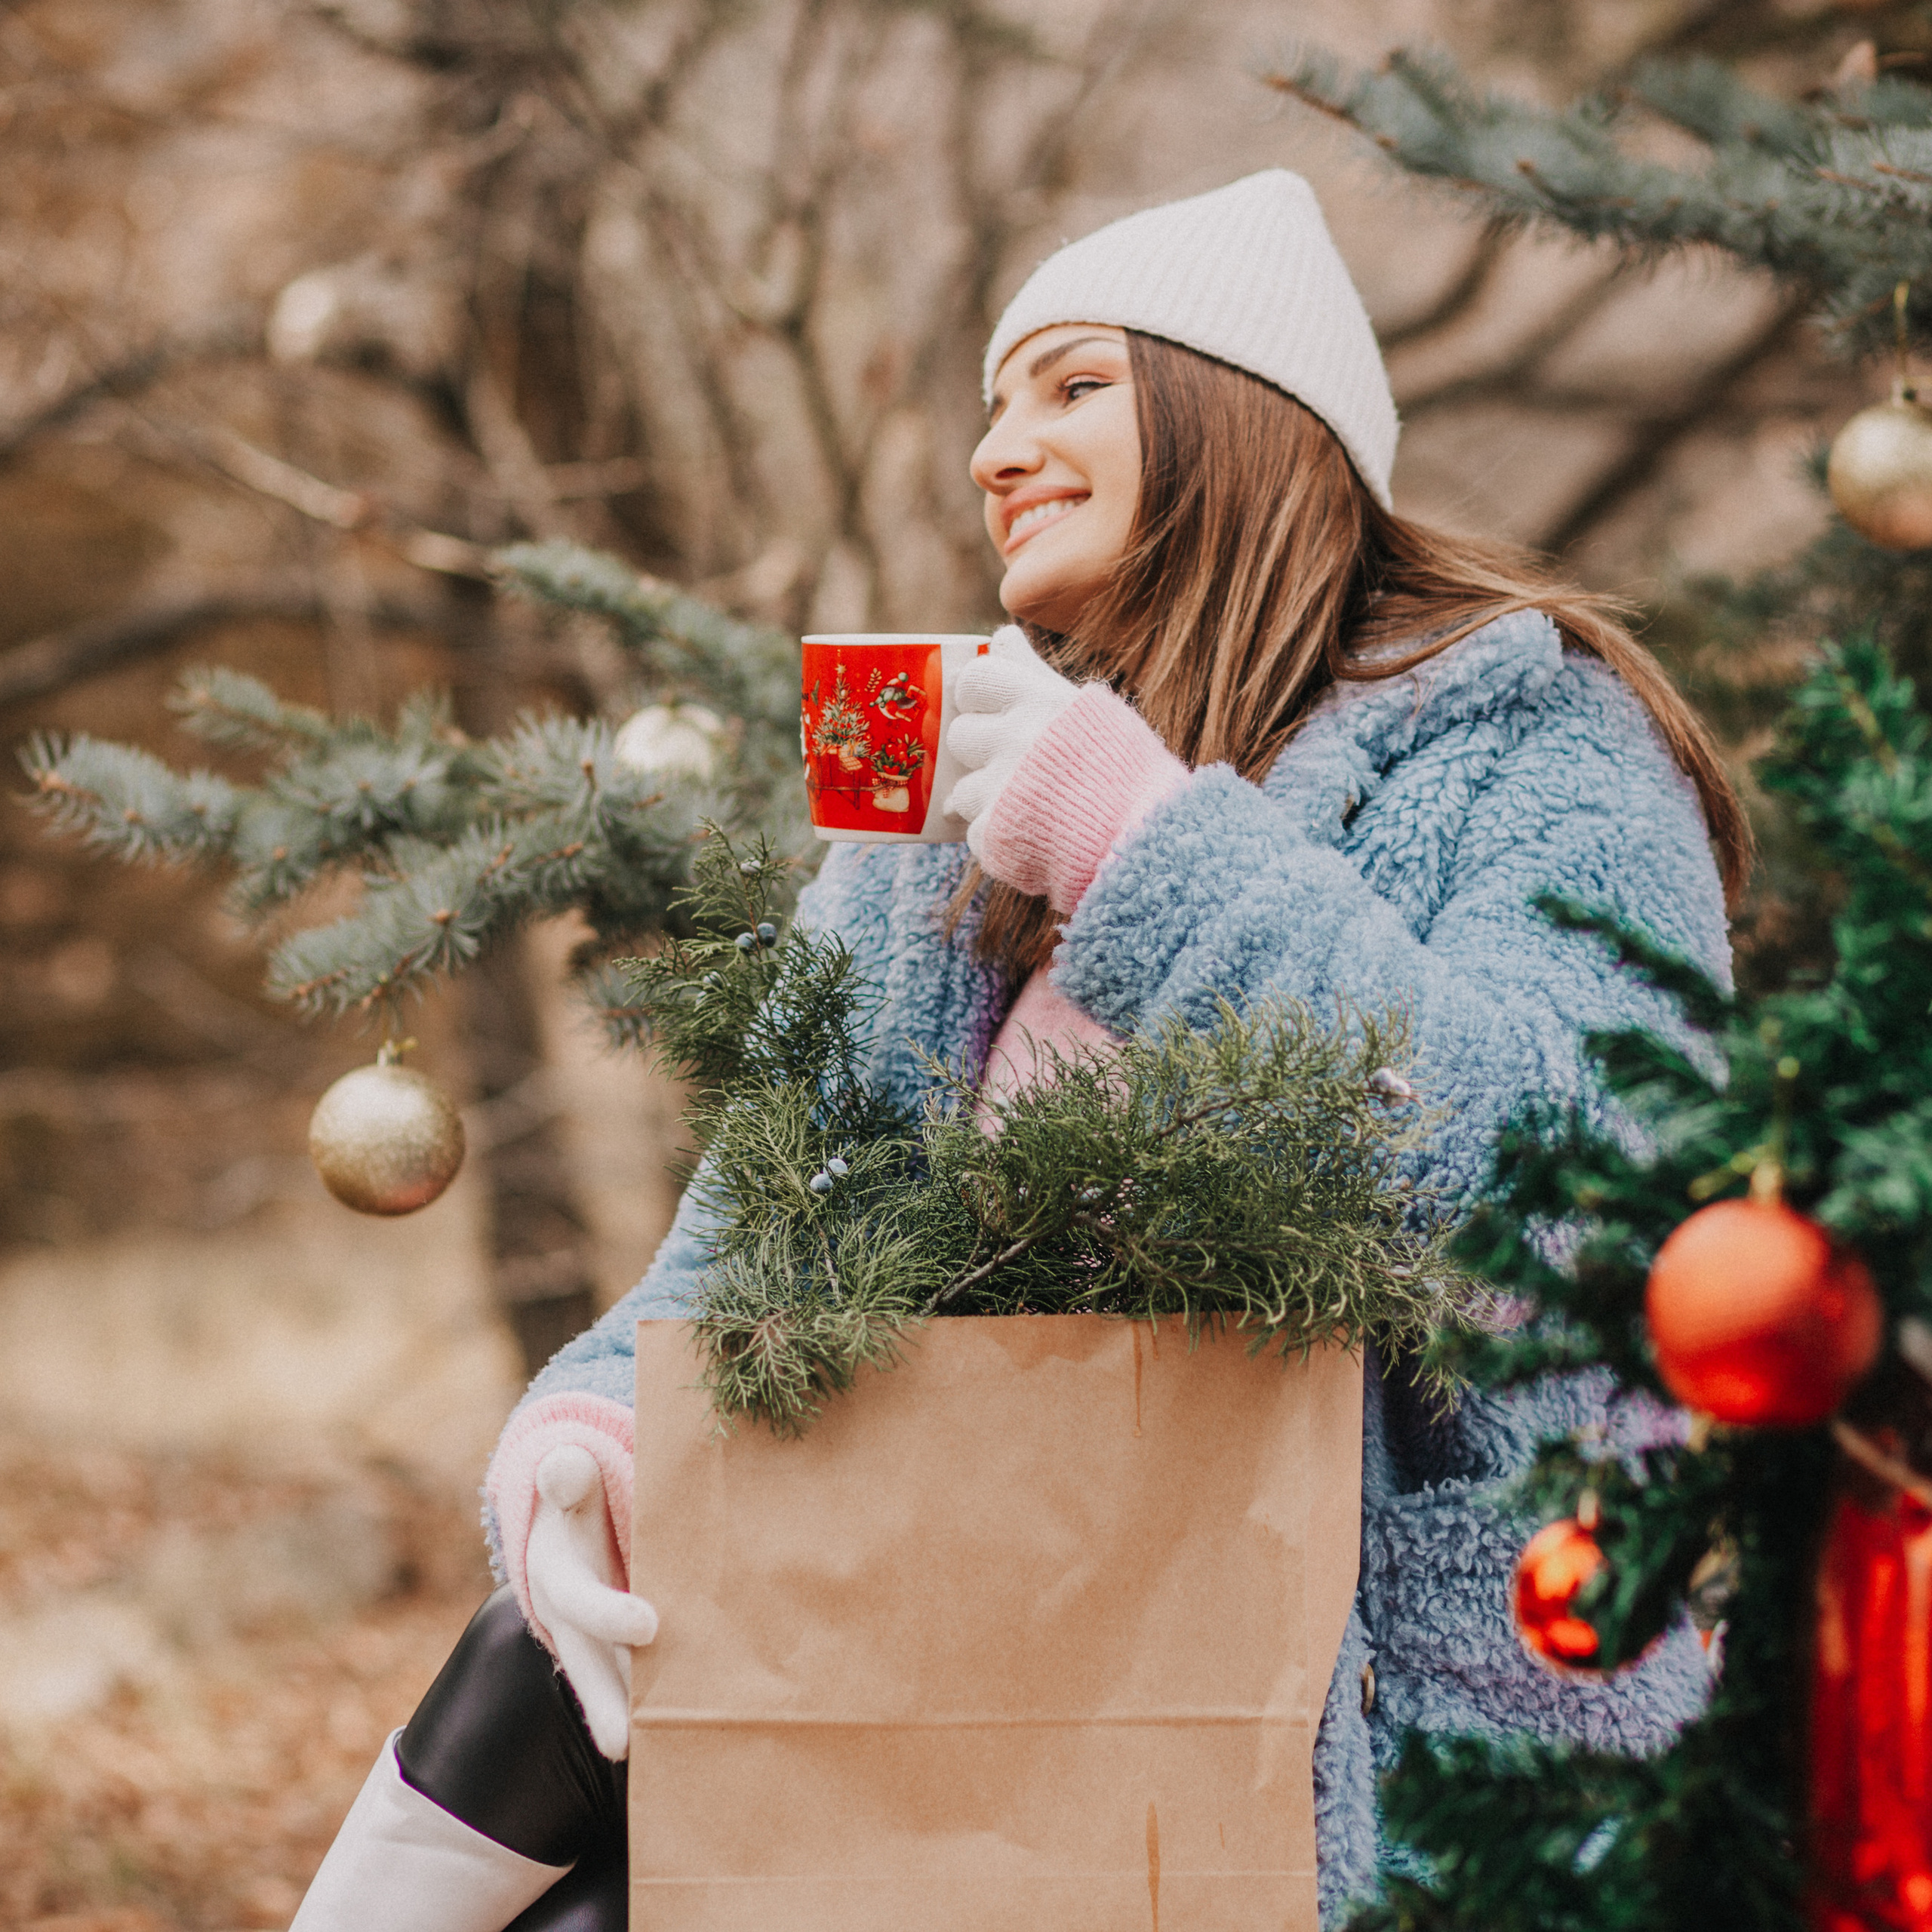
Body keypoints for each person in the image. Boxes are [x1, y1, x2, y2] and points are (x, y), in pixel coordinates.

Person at [291, 169, 1746, 1931]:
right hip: (985, 1630)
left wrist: (1142, 849)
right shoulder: (930, 830)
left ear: (1246, 416)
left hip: (1372, 1728)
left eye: (1069, 386)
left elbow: (1584, 1203)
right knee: (564, 1787)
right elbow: (739, 1247)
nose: (996, 447)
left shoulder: (1533, 735)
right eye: (990, 404)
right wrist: (591, 1438)